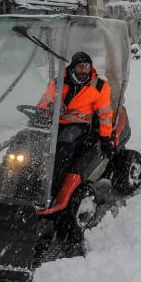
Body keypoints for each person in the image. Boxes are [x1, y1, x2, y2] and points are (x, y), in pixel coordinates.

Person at [37, 51, 115, 193]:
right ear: (73, 67)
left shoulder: (99, 87)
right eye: (80, 66)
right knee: (25, 138)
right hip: (55, 122)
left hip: (80, 126)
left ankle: (51, 189)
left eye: (87, 66)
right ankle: (5, 177)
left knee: (62, 147)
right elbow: (43, 103)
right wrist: (49, 107)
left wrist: (105, 138)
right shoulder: (57, 82)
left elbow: (105, 115)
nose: (84, 70)